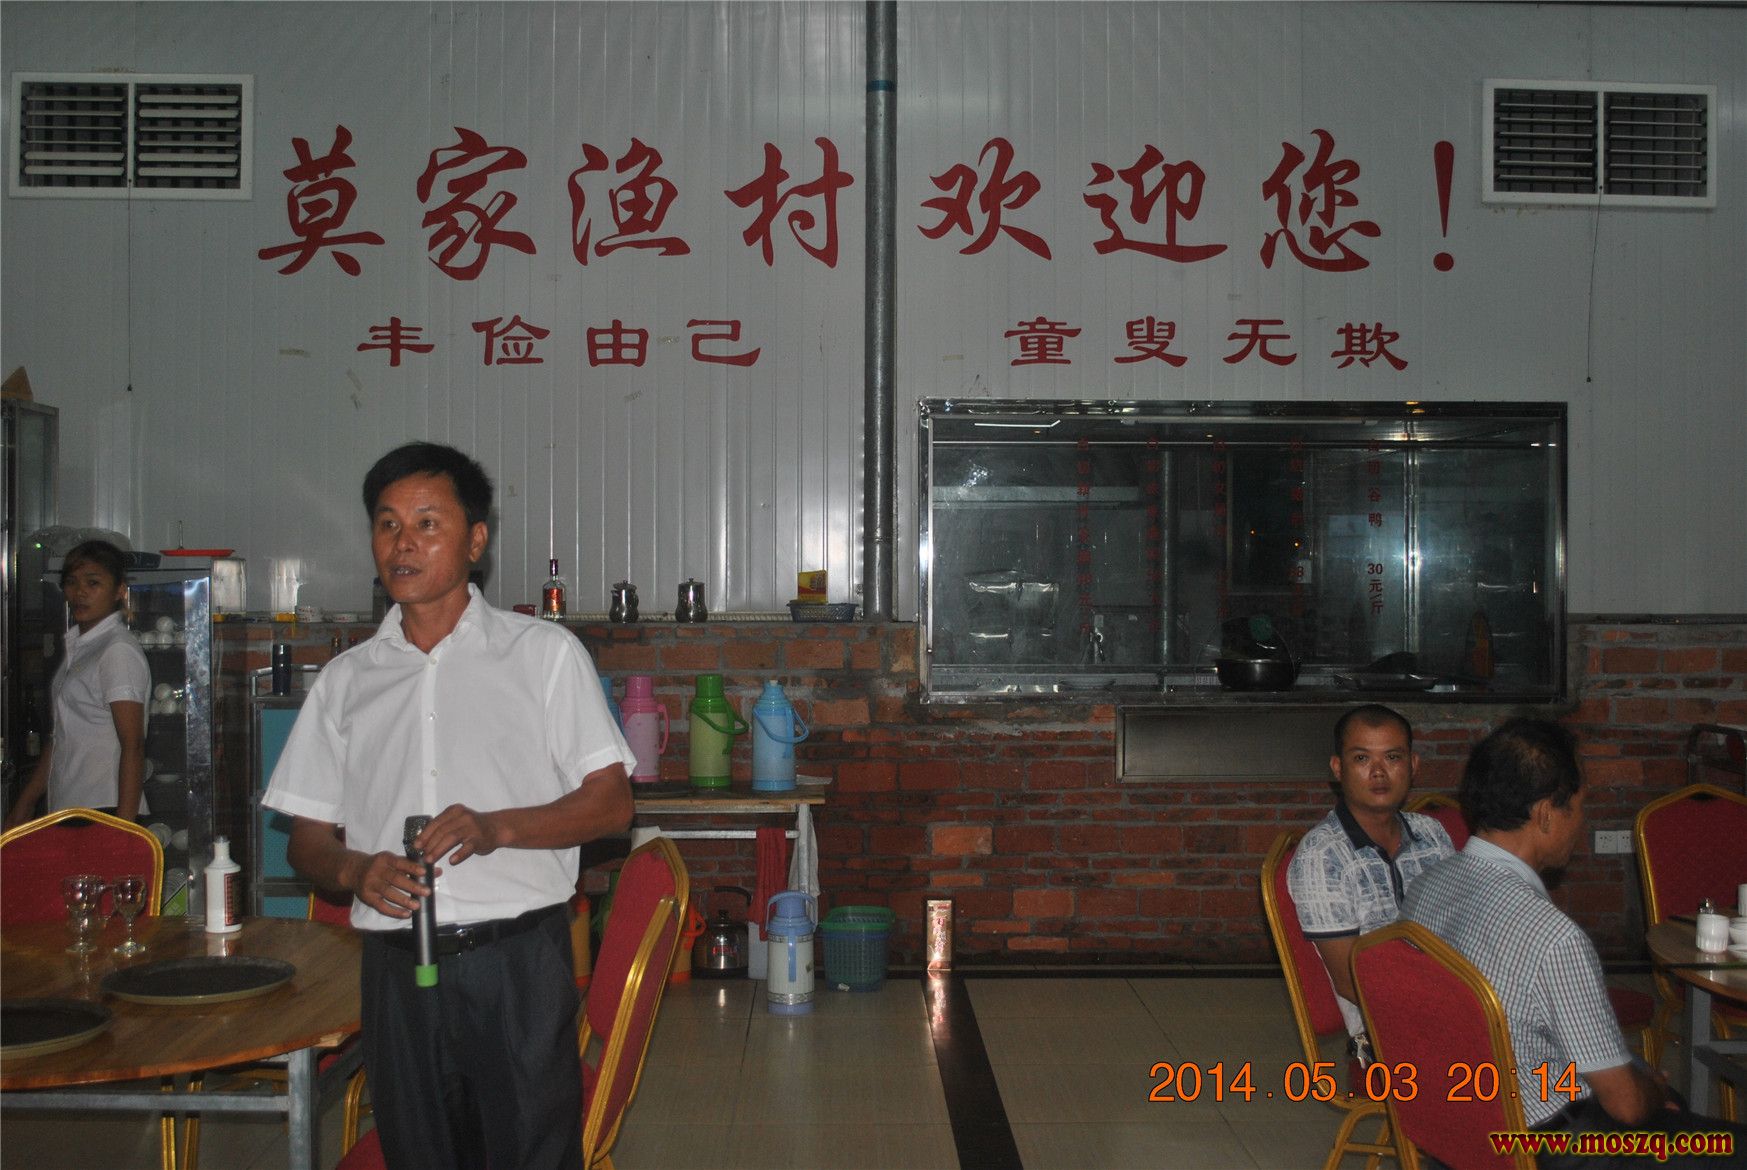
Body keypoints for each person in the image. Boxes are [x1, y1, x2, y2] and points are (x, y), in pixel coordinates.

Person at [262, 442, 635, 1170]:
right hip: (396, 973)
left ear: (475, 541)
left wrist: (497, 828)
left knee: (530, 1154)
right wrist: (355, 870)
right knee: (419, 1153)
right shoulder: (346, 681)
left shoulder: (543, 655)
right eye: (387, 525)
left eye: (427, 524)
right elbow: (306, 840)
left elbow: (610, 805)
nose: (403, 544)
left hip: (515, 965)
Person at [1403, 718, 1747, 1168]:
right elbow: (1626, 1106)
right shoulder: (1553, 937)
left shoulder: (1426, 888)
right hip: (1549, 1146)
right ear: (1546, 813)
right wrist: (1650, 1090)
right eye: (1580, 807)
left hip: (1457, 1123)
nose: (1582, 823)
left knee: (1657, 1094)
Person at [1287, 703, 1453, 1060]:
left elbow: (1460, 931)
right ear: (1338, 769)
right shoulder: (1324, 854)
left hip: (1453, 1001)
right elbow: (1351, 981)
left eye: (1392, 757)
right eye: (1362, 759)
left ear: (1413, 765)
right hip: (1385, 1032)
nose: (1379, 772)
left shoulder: (1432, 834)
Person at [5, 540, 149, 828]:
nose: (80, 592)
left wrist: (123, 831)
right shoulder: (82, 647)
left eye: (93, 583)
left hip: (106, 808)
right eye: (71, 582)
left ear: (119, 590)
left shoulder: (117, 650)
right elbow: (60, 739)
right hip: (70, 807)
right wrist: (24, 806)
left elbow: (132, 745)